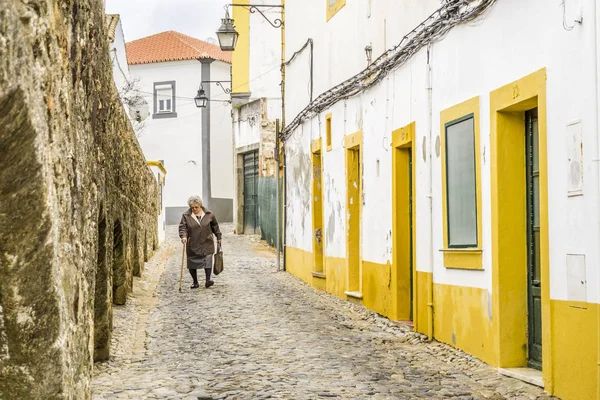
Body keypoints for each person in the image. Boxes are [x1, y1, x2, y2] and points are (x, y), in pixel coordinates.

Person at [179, 196, 222, 289]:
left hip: (207, 242)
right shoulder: (186, 216)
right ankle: (195, 282)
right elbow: (183, 227)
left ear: (200, 205)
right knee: (192, 262)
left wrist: (218, 236)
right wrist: (184, 236)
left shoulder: (209, 214)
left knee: (208, 260)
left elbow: (215, 226)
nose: (194, 209)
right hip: (193, 243)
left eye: (196, 207)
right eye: (192, 207)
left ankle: (208, 280)